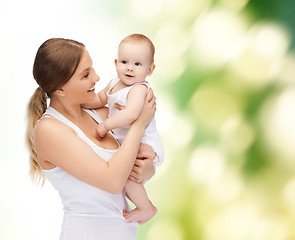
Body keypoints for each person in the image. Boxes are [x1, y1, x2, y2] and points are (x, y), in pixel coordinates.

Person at [25, 38, 157, 240]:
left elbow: (134, 156)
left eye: (92, 69)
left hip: (124, 232)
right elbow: (113, 181)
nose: (97, 77)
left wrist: (149, 168)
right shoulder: (49, 129)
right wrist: (138, 125)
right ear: (60, 89)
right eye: (86, 74)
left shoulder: (100, 114)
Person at [83, 34, 163, 225]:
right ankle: (142, 201)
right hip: (129, 142)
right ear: (116, 62)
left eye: (137, 64)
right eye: (125, 62)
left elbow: (131, 115)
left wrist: (105, 125)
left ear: (150, 69)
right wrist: (84, 102)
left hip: (145, 142)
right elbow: (101, 98)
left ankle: (146, 208)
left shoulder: (139, 89)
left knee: (126, 173)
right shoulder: (113, 83)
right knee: (125, 174)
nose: (129, 68)